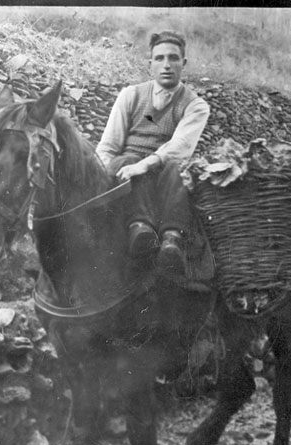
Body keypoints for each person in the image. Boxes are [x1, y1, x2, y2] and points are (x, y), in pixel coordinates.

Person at [96, 30, 210, 276]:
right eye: (159, 58)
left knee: (178, 167)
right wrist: (104, 173)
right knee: (125, 160)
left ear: (184, 63)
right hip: (127, 171)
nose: (166, 65)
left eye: (173, 58)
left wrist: (144, 165)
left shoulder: (195, 105)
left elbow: (179, 147)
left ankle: (172, 238)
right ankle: (140, 228)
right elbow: (107, 147)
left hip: (164, 171)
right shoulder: (131, 95)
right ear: (150, 65)